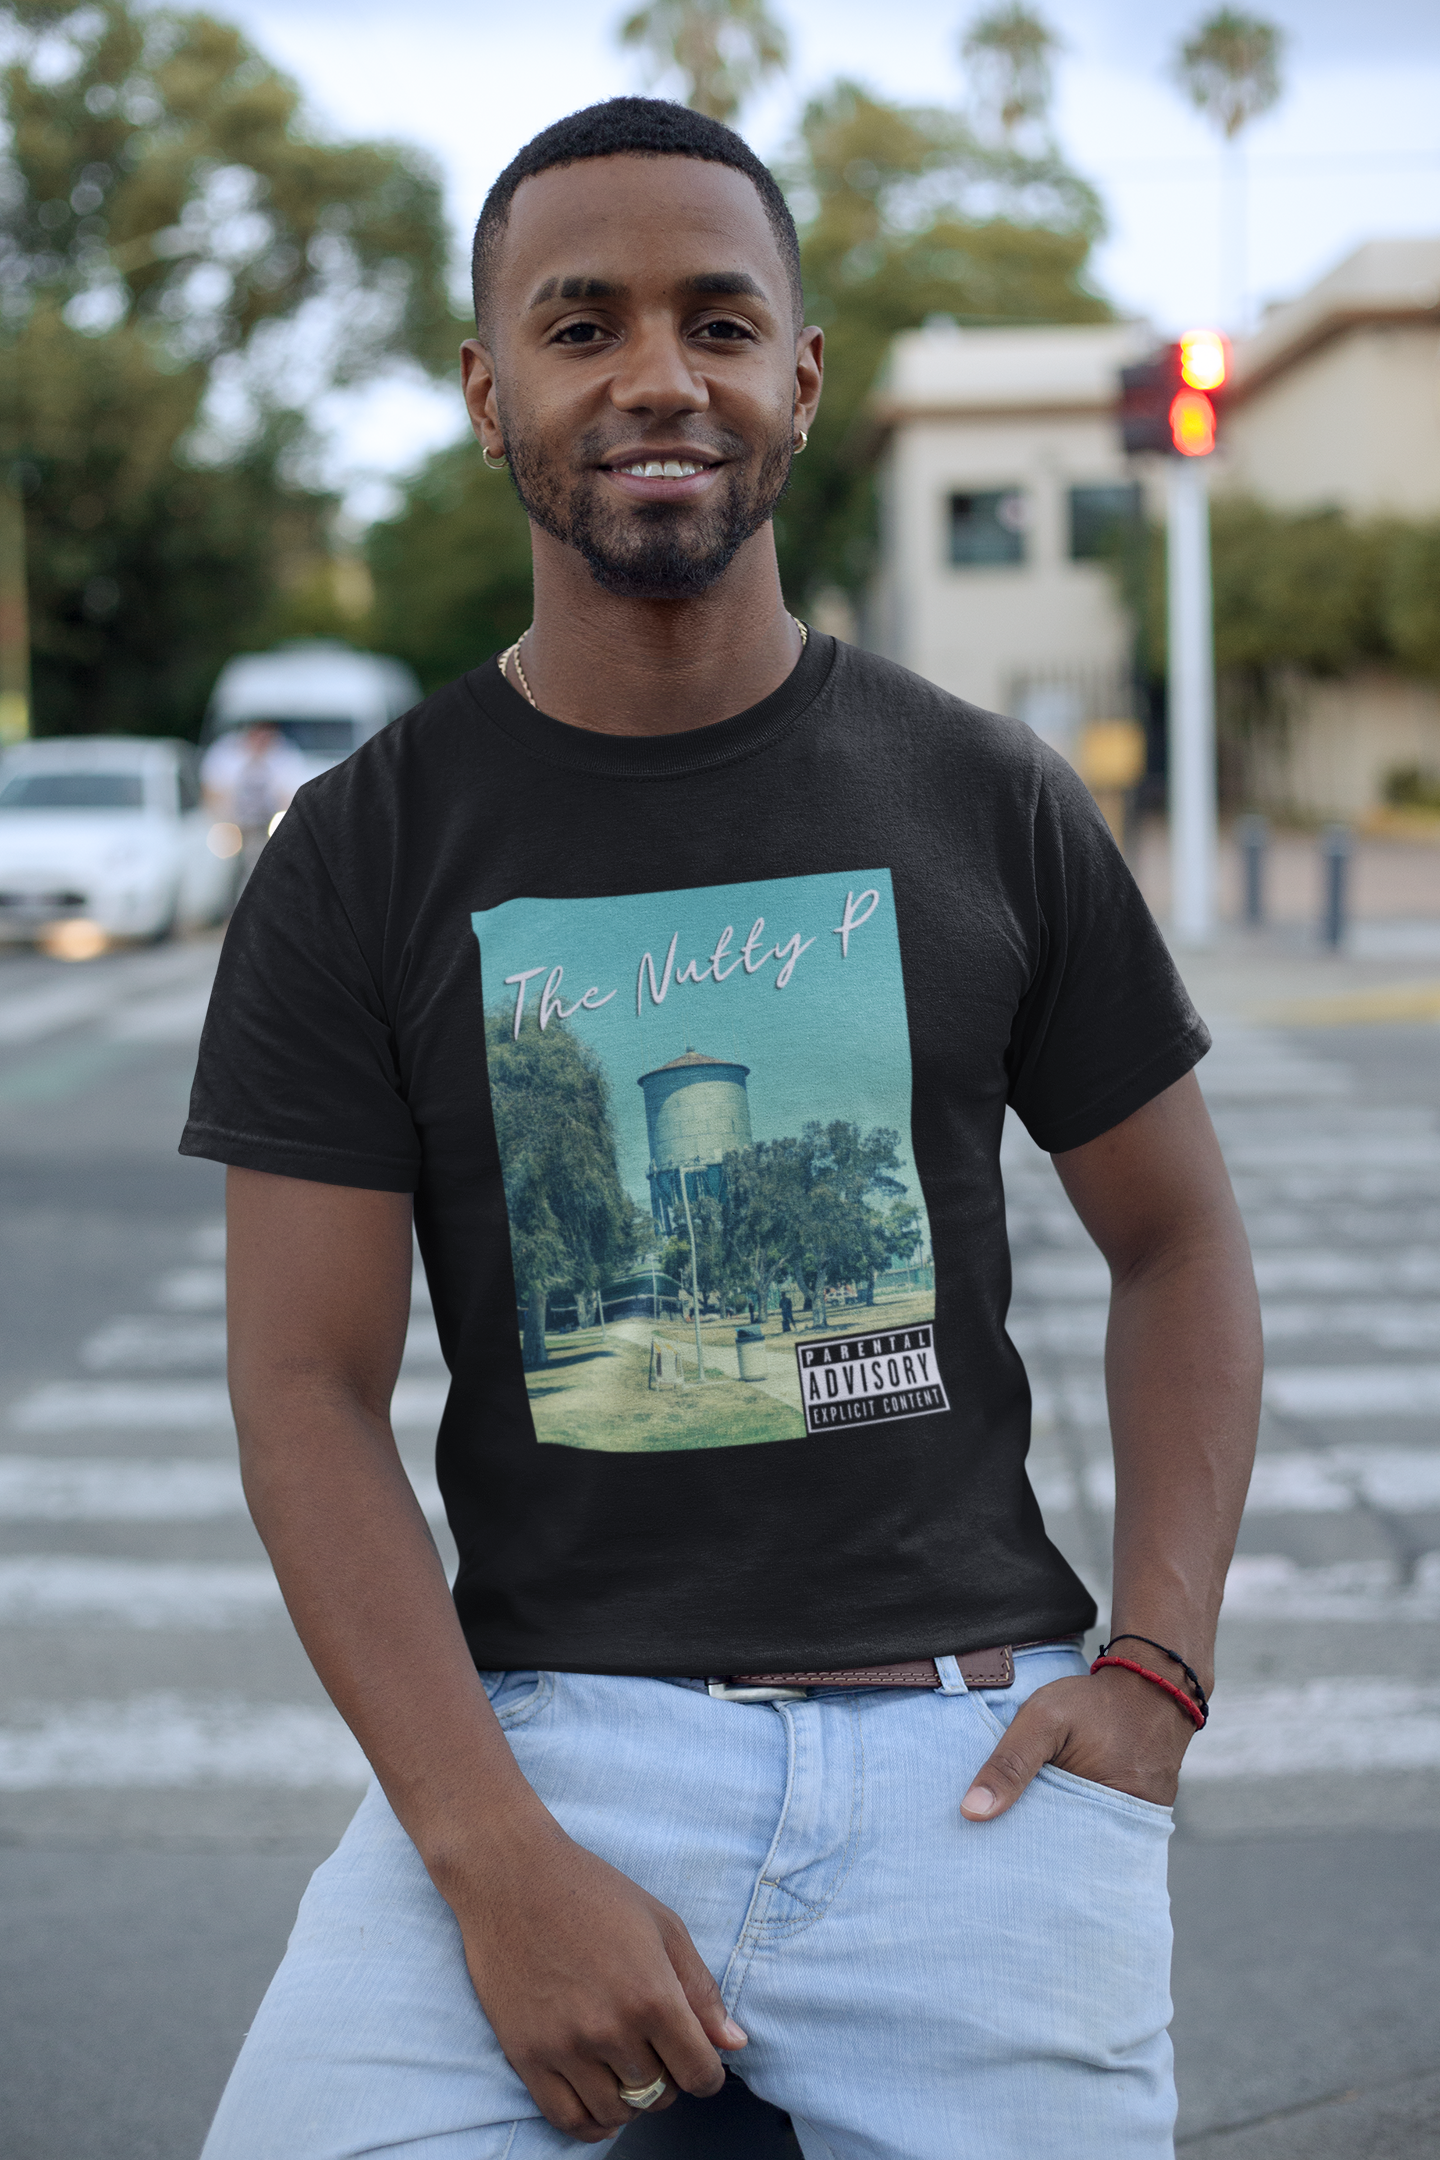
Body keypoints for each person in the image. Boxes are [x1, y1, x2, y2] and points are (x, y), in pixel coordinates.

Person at [185, 97, 1261, 2160]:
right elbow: (302, 1387)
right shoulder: (361, 855)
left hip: (980, 1753)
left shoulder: (987, 797)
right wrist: (492, 1861)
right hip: (546, 1747)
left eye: (718, 318)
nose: (658, 374)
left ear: (801, 379)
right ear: (492, 396)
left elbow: (1181, 1247)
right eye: (582, 328)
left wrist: (1159, 1671)